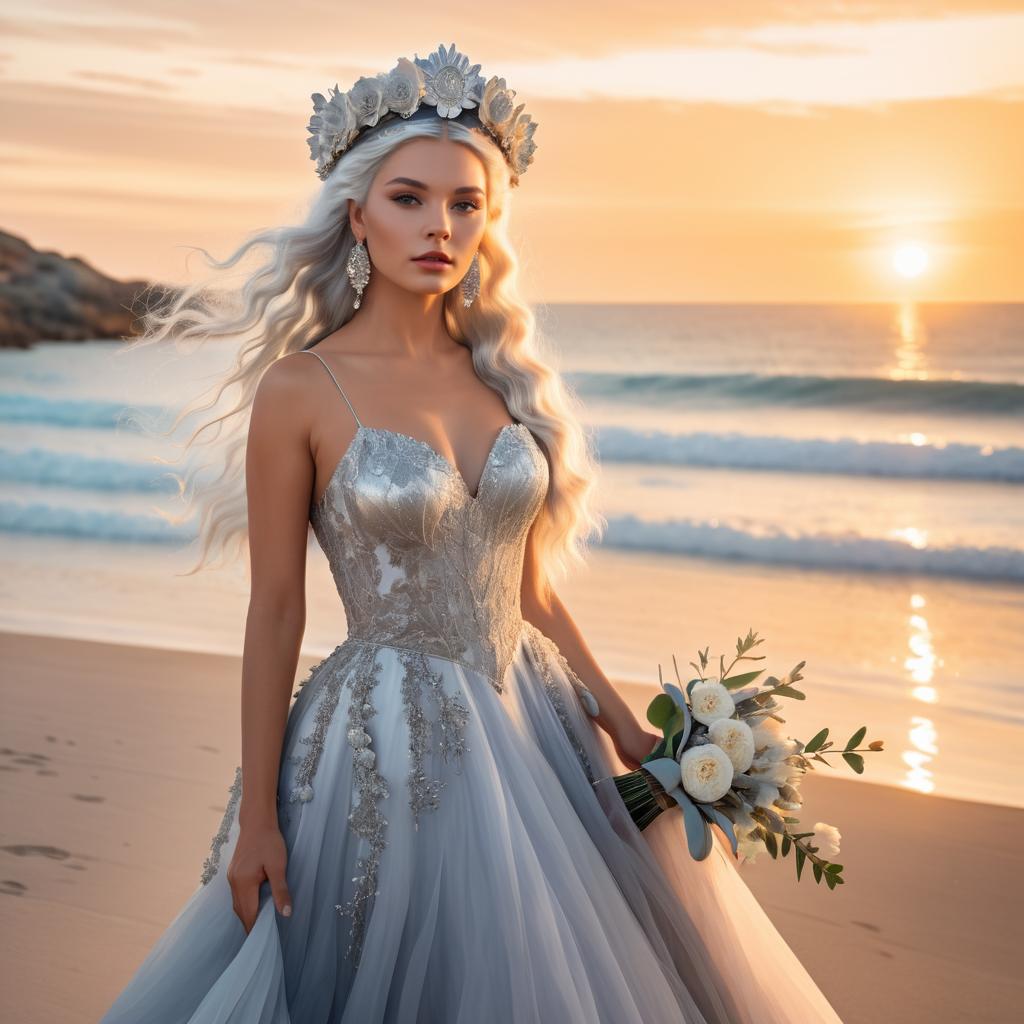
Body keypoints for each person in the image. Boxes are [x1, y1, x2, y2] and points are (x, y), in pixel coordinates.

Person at [99, 42, 844, 1023]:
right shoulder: (302, 388)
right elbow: (275, 608)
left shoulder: (501, 379)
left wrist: (626, 725)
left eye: (465, 204)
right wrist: (259, 819)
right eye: (409, 198)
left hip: (540, 723)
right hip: (384, 740)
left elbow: (529, 591)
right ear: (356, 214)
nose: (439, 227)